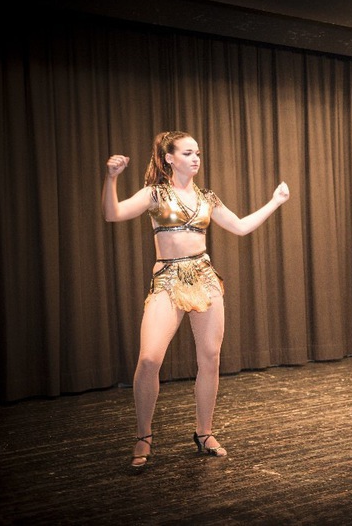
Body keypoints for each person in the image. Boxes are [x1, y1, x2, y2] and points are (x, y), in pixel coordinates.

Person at [102, 131, 290, 468]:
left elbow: (241, 227)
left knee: (210, 358)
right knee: (149, 359)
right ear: (169, 158)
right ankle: (143, 435)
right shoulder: (155, 193)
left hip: (204, 278)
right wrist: (112, 178)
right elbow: (113, 213)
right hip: (168, 278)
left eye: (198, 153)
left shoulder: (208, 198)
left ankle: (204, 433)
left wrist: (275, 201)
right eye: (188, 153)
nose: (195, 159)